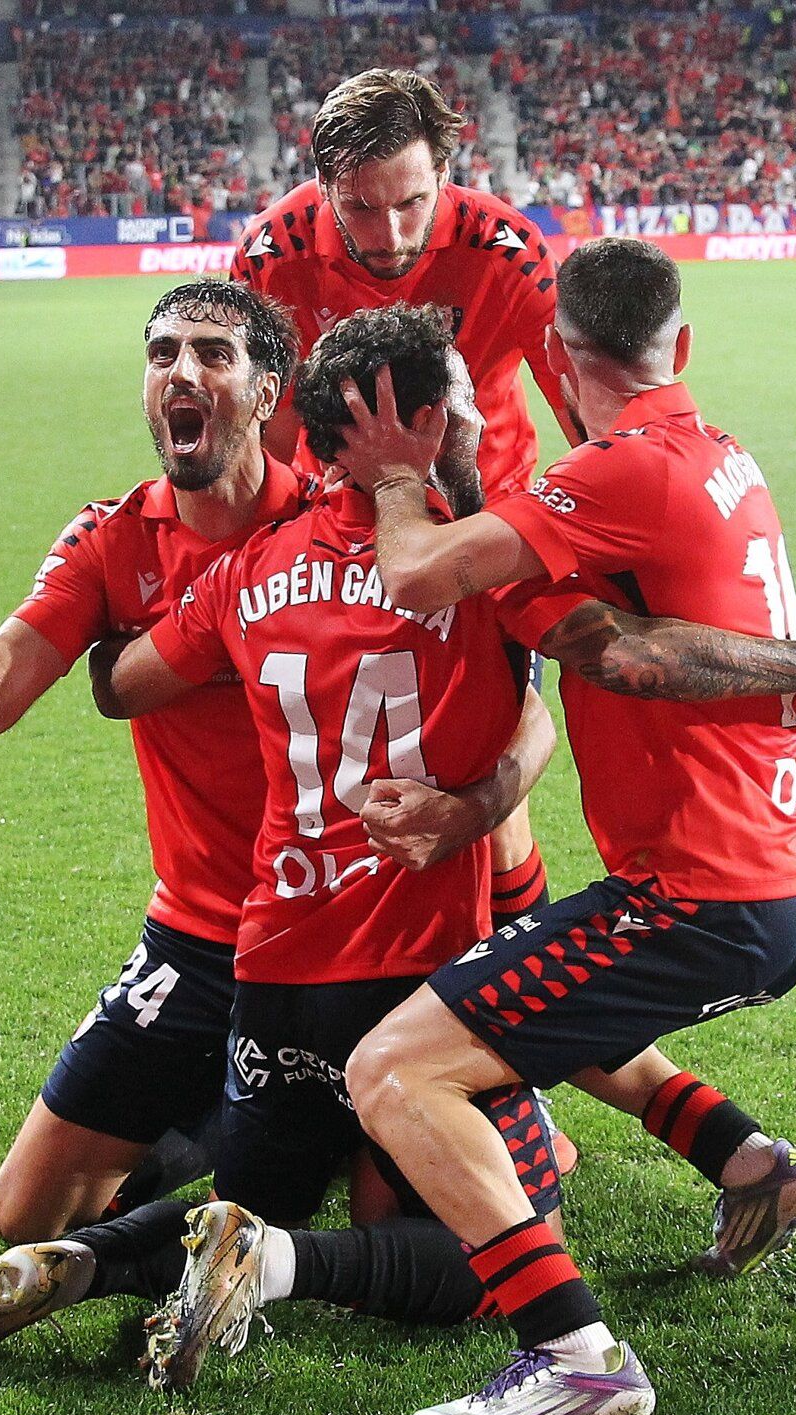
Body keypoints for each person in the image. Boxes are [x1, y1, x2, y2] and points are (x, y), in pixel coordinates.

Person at [0, 302, 796, 1404]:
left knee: (254, 1188)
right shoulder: (475, 566)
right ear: (421, 428)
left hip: (275, 964)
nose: (485, 427)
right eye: (465, 410)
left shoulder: (243, 569)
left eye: (211, 353)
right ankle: (298, 1262)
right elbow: (604, 656)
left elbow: (122, 685)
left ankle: (92, 1259)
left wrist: (134, 641)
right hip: (411, 957)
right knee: (479, 1236)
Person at [327, 238, 796, 1415]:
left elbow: (419, 575)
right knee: (531, 1005)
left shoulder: (621, 471)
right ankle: (754, 1168)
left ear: (558, 360)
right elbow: (599, 631)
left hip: (696, 902)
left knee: (393, 1070)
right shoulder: (716, 454)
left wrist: (402, 474)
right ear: (681, 344)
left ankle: (574, 1356)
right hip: (772, 882)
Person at [0, 280, 546, 1246]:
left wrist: (480, 809)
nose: (182, 371)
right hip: (203, 931)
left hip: (358, 924)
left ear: (266, 391)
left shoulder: (347, 516)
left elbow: (521, 702)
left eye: (214, 353)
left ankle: (443, 1108)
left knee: (407, 1226)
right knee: (27, 1213)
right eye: (163, 354)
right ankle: (242, 1121)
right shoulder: (113, 540)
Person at [231, 67, 580, 943]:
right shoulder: (270, 257)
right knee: (326, 781)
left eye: (412, 203)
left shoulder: (507, 251)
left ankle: (512, 984)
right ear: (321, 187)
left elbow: (587, 416)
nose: (389, 235)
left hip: (477, 529)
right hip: (335, 544)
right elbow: (263, 442)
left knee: (488, 778)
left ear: (446, 175)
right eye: (360, 208)